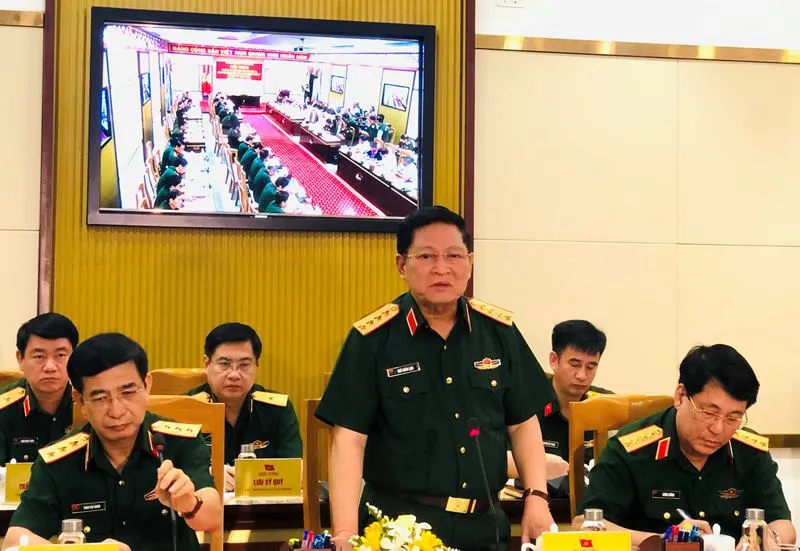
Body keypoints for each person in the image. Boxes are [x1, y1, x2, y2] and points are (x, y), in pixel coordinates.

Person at [316, 206, 555, 551]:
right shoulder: (373, 338)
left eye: (454, 256)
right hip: (398, 530)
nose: (442, 268)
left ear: (469, 263)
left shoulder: (499, 332)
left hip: (485, 526)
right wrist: (344, 534)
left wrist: (537, 497)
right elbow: (349, 440)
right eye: (426, 256)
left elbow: (522, 424)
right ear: (401, 265)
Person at [2, 332, 222, 551]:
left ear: (147, 386)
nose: (116, 411)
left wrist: (189, 504)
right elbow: (15, 540)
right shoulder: (58, 462)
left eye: (128, 392)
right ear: (81, 401)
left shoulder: (179, 442)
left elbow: (213, 517)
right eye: (100, 398)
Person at [578, 344, 795, 549]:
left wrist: (770, 538)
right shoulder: (632, 451)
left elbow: (783, 523)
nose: (718, 429)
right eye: (709, 413)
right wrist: (668, 540)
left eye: (733, 418)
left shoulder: (749, 452)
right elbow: (584, 525)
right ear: (680, 396)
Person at [188, 323, 302, 492]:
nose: (234, 374)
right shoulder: (185, 409)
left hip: (263, 505)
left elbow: (294, 471)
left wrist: (251, 478)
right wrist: (207, 476)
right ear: (207, 363)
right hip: (202, 504)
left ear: (256, 365)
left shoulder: (277, 410)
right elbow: (167, 470)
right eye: (224, 364)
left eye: (244, 365)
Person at [507, 320, 611, 494]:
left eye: (591, 367)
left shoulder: (607, 406)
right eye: (574, 364)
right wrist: (538, 463)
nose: (582, 375)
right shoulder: (526, 402)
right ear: (554, 360)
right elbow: (497, 459)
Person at [0, 313, 79, 465]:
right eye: (39, 357)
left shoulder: (88, 405)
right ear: (20, 359)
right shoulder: (4, 410)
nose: (50, 367)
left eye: (60, 355)